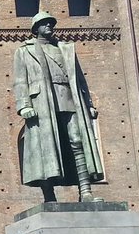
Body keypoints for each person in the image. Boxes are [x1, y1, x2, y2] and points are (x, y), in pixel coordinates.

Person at [12, 11, 104, 203]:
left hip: (69, 98)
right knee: (46, 147)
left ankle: (85, 191)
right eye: (45, 24)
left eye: (51, 23)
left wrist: (88, 104)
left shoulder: (65, 49)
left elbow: (80, 80)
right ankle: (49, 195)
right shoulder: (24, 50)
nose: (49, 26)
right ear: (36, 28)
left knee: (77, 141)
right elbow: (20, 82)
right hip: (42, 102)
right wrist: (24, 105)